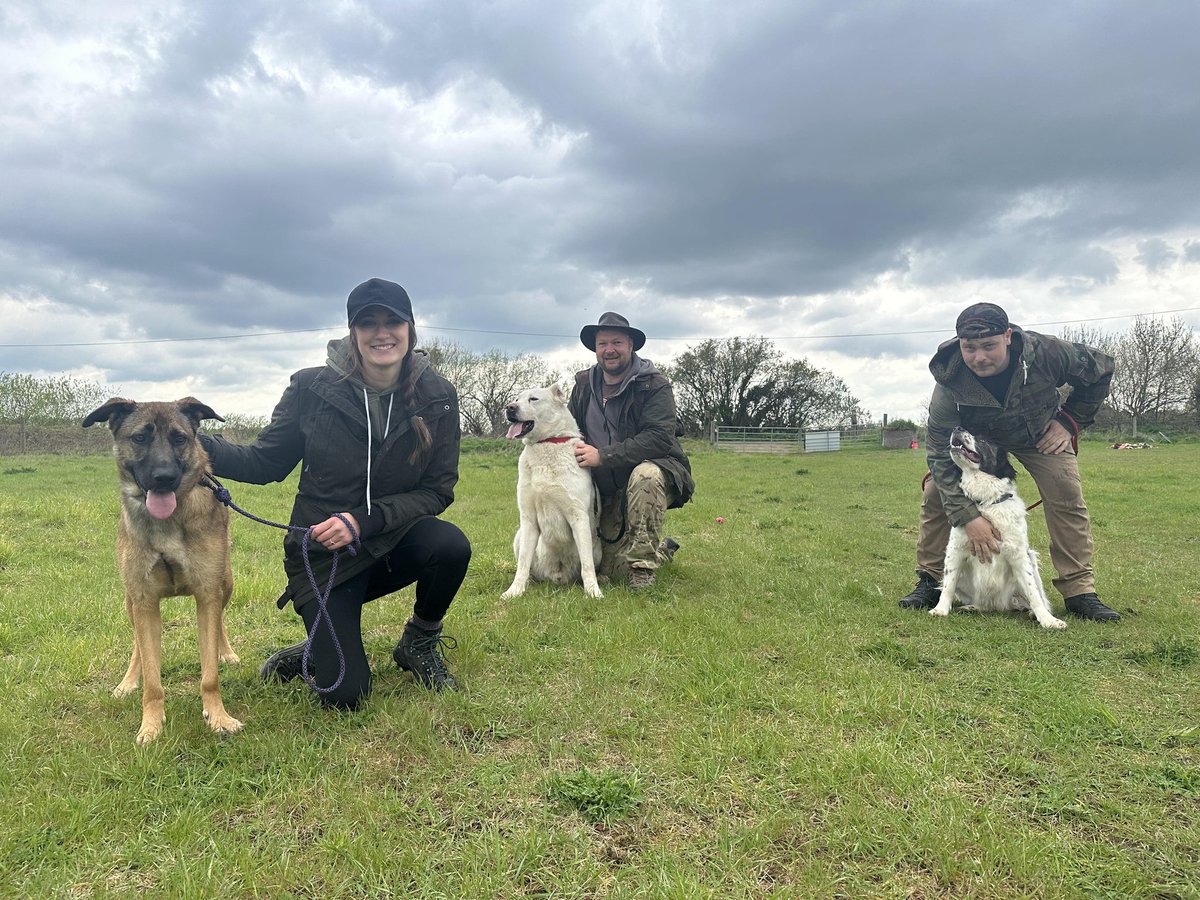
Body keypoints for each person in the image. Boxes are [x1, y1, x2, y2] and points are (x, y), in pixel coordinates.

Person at [200, 278, 470, 709]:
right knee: (345, 694)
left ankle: (418, 643)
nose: (382, 333)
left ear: (410, 328)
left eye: (392, 321)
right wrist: (198, 446)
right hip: (323, 557)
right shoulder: (311, 388)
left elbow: (437, 490)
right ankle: (313, 650)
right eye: (368, 323)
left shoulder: (438, 396)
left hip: (388, 540)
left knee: (450, 544)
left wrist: (362, 521)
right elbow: (266, 462)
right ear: (353, 333)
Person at [899, 301, 1121, 622]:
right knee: (936, 490)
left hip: (1037, 432)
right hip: (978, 440)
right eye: (969, 348)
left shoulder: (1047, 353)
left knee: (1064, 489)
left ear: (1007, 336)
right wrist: (968, 517)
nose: (979, 357)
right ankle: (930, 581)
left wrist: (1070, 421)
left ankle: (1079, 591)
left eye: (988, 346)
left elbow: (1102, 368)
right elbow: (938, 455)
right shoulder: (949, 379)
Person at [568, 312, 695, 590]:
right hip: (607, 486)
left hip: (655, 474)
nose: (609, 350)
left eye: (617, 342)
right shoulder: (582, 385)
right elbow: (569, 429)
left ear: (631, 346)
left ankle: (643, 569)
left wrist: (603, 456)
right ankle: (661, 550)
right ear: (595, 348)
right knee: (609, 569)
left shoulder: (655, 385)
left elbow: (658, 439)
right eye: (602, 344)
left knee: (645, 475)